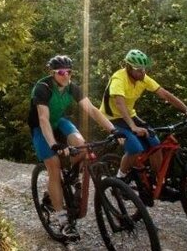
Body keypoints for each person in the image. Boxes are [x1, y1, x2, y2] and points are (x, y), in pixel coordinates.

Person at [28, 54, 119, 235]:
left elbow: (92, 110)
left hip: (59, 122)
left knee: (81, 145)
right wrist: (54, 145)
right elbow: (43, 119)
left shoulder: (72, 88)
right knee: (54, 165)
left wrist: (113, 130)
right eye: (61, 72)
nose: (66, 75)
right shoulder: (43, 88)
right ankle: (62, 221)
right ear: (53, 73)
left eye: (69, 72)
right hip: (41, 127)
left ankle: (74, 179)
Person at [99, 49, 187, 188]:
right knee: (135, 148)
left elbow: (165, 94)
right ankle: (120, 178)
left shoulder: (143, 78)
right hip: (111, 118)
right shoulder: (119, 78)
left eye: (144, 69)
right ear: (128, 67)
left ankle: (157, 181)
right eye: (138, 69)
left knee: (155, 143)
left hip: (130, 115)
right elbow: (119, 103)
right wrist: (133, 127)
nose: (142, 72)